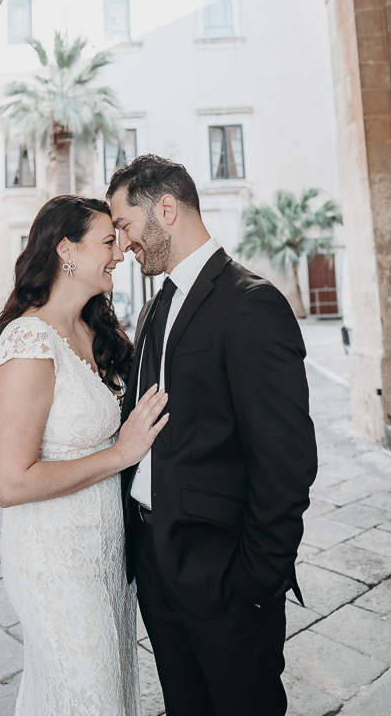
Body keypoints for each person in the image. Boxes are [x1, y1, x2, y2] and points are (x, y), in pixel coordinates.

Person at [107, 155, 318, 716]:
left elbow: (287, 461)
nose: (123, 245)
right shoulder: (156, 305)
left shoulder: (252, 304)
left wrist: (253, 582)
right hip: (155, 568)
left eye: (125, 226)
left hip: (225, 576)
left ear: (167, 209)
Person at [0, 195, 169, 716]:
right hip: (53, 560)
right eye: (108, 241)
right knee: (91, 700)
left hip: (106, 553)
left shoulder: (93, 331)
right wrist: (121, 453)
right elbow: (10, 483)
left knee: (106, 694)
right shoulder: (29, 341)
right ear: (66, 251)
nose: (121, 252)